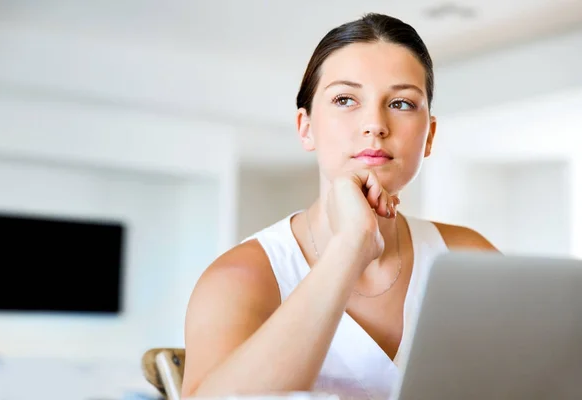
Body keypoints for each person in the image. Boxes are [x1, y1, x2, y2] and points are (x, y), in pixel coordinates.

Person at [181, 12, 498, 400]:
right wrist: (350, 247)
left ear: (428, 135)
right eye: (345, 99)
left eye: (401, 103)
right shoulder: (239, 278)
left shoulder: (470, 258)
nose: (375, 124)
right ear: (306, 127)